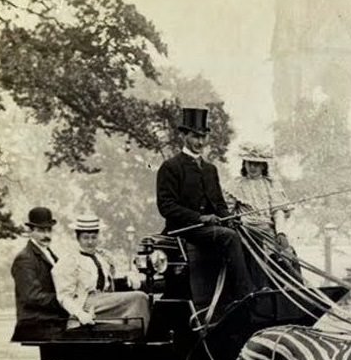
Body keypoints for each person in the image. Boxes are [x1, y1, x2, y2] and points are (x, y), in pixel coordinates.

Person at [156, 107, 254, 308]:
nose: (200, 142)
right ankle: (245, 295)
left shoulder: (211, 169)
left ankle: (256, 290)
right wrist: (199, 218)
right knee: (229, 237)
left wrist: (229, 217)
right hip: (184, 230)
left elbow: (218, 203)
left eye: (203, 137)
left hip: (209, 230)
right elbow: (166, 207)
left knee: (246, 232)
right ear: (184, 136)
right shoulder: (171, 167)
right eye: (194, 136)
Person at [52, 214, 151, 333]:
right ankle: (141, 338)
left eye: (94, 237)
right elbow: (64, 297)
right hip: (86, 304)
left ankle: (137, 334)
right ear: (78, 238)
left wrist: (129, 277)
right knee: (139, 298)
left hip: (104, 301)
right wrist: (80, 314)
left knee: (143, 297)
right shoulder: (70, 260)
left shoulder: (102, 256)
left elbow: (112, 279)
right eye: (85, 237)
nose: (90, 242)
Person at [224, 143, 299, 278]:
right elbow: (227, 210)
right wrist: (233, 220)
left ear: (263, 166)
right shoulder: (236, 184)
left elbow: (278, 211)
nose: (252, 167)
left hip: (268, 230)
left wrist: (281, 232)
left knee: (288, 254)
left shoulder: (271, 184)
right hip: (246, 230)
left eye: (257, 164)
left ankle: (293, 289)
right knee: (255, 256)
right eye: (249, 163)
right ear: (244, 164)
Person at [10, 207, 69, 340]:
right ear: (31, 231)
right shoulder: (25, 259)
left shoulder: (50, 254)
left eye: (49, 230)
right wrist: (65, 300)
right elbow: (32, 296)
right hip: (37, 322)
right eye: (41, 230)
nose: (46, 235)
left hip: (52, 320)